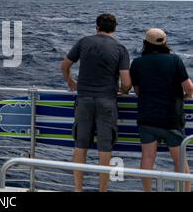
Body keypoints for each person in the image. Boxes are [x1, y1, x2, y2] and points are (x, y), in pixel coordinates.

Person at [61, 13, 132, 192]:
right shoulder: (120, 48)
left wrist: (70, 81)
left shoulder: (84, 42)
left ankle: (78, 189)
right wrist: (123, 91)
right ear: (115, 28)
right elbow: (126, 83)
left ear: (97, 27)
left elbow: (65, 65)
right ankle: (102, 190)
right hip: (107, 101)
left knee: (80, 144)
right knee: (105, 147)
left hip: (84, 100)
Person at [130, 28, 193, 192]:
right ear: (165, 42)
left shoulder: (137, 63)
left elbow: (137, 91)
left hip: (147, 117)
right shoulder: (175, 60)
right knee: (179, 160)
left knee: (148, 157)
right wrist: (186, 96)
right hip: (172, 118)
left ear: (146, 43)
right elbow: (189, 88)